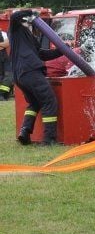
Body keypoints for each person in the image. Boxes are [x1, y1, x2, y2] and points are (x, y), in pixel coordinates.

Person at [10, 10, 63, 145]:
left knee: (35, 102)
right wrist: (31, 12)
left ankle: (25, 132)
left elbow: (41, 54)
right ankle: (49, 139)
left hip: (21, 75)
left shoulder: (28, 36)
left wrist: (61, 50)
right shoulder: (16, 29)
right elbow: (14, 16)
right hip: (30, 71)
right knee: (49, 101)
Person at [0, 29, 13, 100]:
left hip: (4, 58)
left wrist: (3, 45)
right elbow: (4, 44)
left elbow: (7, 44)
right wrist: (2, 45)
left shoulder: (3, 33)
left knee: (10, 75)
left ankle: (3, 94)